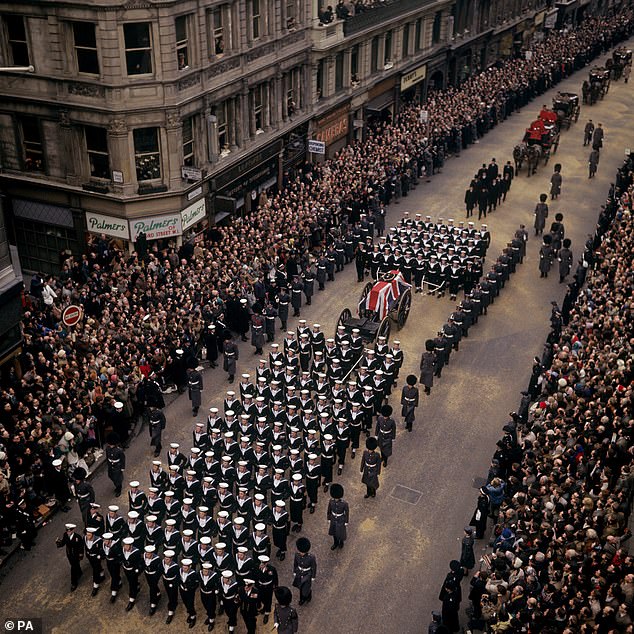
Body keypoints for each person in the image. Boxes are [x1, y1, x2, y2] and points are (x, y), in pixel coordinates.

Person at [56, 523, 84, 591]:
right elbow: (63, 542)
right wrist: (58, 543)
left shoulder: (78, 537)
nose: (68, 532)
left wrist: (81, 555)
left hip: (76, 555)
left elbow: (81, 547)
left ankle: (74, 583)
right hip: (69, 554)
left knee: (73, 568)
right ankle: (79, 572)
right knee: (74, 565)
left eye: (70, 531)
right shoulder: (65, 535)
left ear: (73, 530)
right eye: (67, 531)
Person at [292, 537, 317, 605]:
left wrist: (313, 576)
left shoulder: (311, 557)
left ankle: (307, 595)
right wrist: (295, 571)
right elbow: (295, 564)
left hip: (307, 574)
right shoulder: (297, 555)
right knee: (300, 587)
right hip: (299, 573)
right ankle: (301, 599)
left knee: (305, 589)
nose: (301, 553)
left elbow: (314, 567)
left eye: (302, 552)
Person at [256, 554, 278, 624]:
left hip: (268, 587)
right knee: (261, 598)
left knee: (268, 600)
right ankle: (264, 608)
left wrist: (275, 586)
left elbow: (275, 578)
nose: (262, 564)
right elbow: (255, 576)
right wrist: (257, 585)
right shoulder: (257, 567)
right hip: (260, 586)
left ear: (267, 563)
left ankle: (267, 613)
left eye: (264, 563)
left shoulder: (271, 569)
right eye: (261, 563)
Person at [327, 483, 349, 550]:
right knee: (334, 532)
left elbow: (347, 513)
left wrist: (346, 521)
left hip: (341, 519)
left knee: (340, 532)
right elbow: (329, 510)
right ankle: (335, 543)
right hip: (333, 518)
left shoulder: (344, 503)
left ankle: (341, 542)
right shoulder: (331, 501)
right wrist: (329, 518)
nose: (336, 499)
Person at [179, 558, 199, 628]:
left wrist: (190, 589)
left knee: (190, 604)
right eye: (183, 567)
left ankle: (193, 617)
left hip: (190, 592)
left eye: (185, 568)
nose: (184, 569)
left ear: (189, 567)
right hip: (182, 590)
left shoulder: (193, 574)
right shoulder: (180, 571)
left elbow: (196, 584)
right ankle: (190, 613)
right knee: (185, 602)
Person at [106, 433, 126, 497]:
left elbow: (122, 459)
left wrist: (122, 467)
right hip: (111, 466)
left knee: (117, 479)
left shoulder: (119, 450)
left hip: (117, 466)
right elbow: (107, 457)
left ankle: (118, 489)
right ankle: (117, 485)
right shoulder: (107, 449)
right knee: (111, 476)